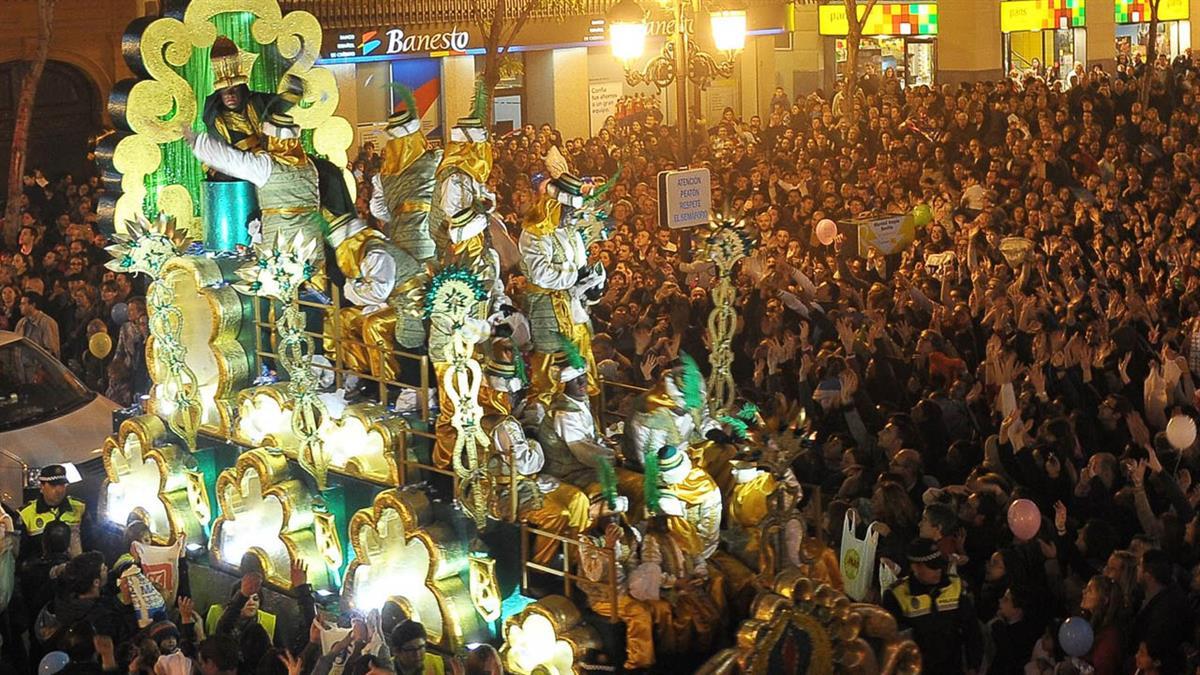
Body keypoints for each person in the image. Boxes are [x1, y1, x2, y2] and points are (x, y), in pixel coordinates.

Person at [881, 538, 983, 674]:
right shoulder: (896, 595)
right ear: (915, 567)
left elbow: (972, 632)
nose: (938, 571)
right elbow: (891, 644)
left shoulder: (954, 588)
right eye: (932, 567)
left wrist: (973, 666)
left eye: (939, 565)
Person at [19, 465, 88, 561]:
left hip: (75, 570)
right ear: (41, 486)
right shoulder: (26, 513)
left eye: (62, 485)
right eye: (53, 485)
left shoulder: (80, 507)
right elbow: (22, 555)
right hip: (41, 571)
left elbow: (90, 542)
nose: (59, 490)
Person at [15, 290, 60, 357]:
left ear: (33, 305)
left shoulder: (47, 323)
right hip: (21, 365)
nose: (20, 306)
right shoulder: (21, 323)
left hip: (37, 365)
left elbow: (52, 351)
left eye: (23, 303)